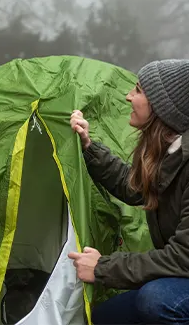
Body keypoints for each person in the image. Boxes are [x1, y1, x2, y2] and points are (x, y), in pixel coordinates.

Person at [68, 59, 189, 324]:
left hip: (182, 275)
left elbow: (183, 257)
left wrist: (103, 268)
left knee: (156, 300)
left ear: (162, 107)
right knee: (103, 318)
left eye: (138, 90)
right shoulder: (171, 152)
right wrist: (89, 148)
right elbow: (135, 188)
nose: (128, 96)